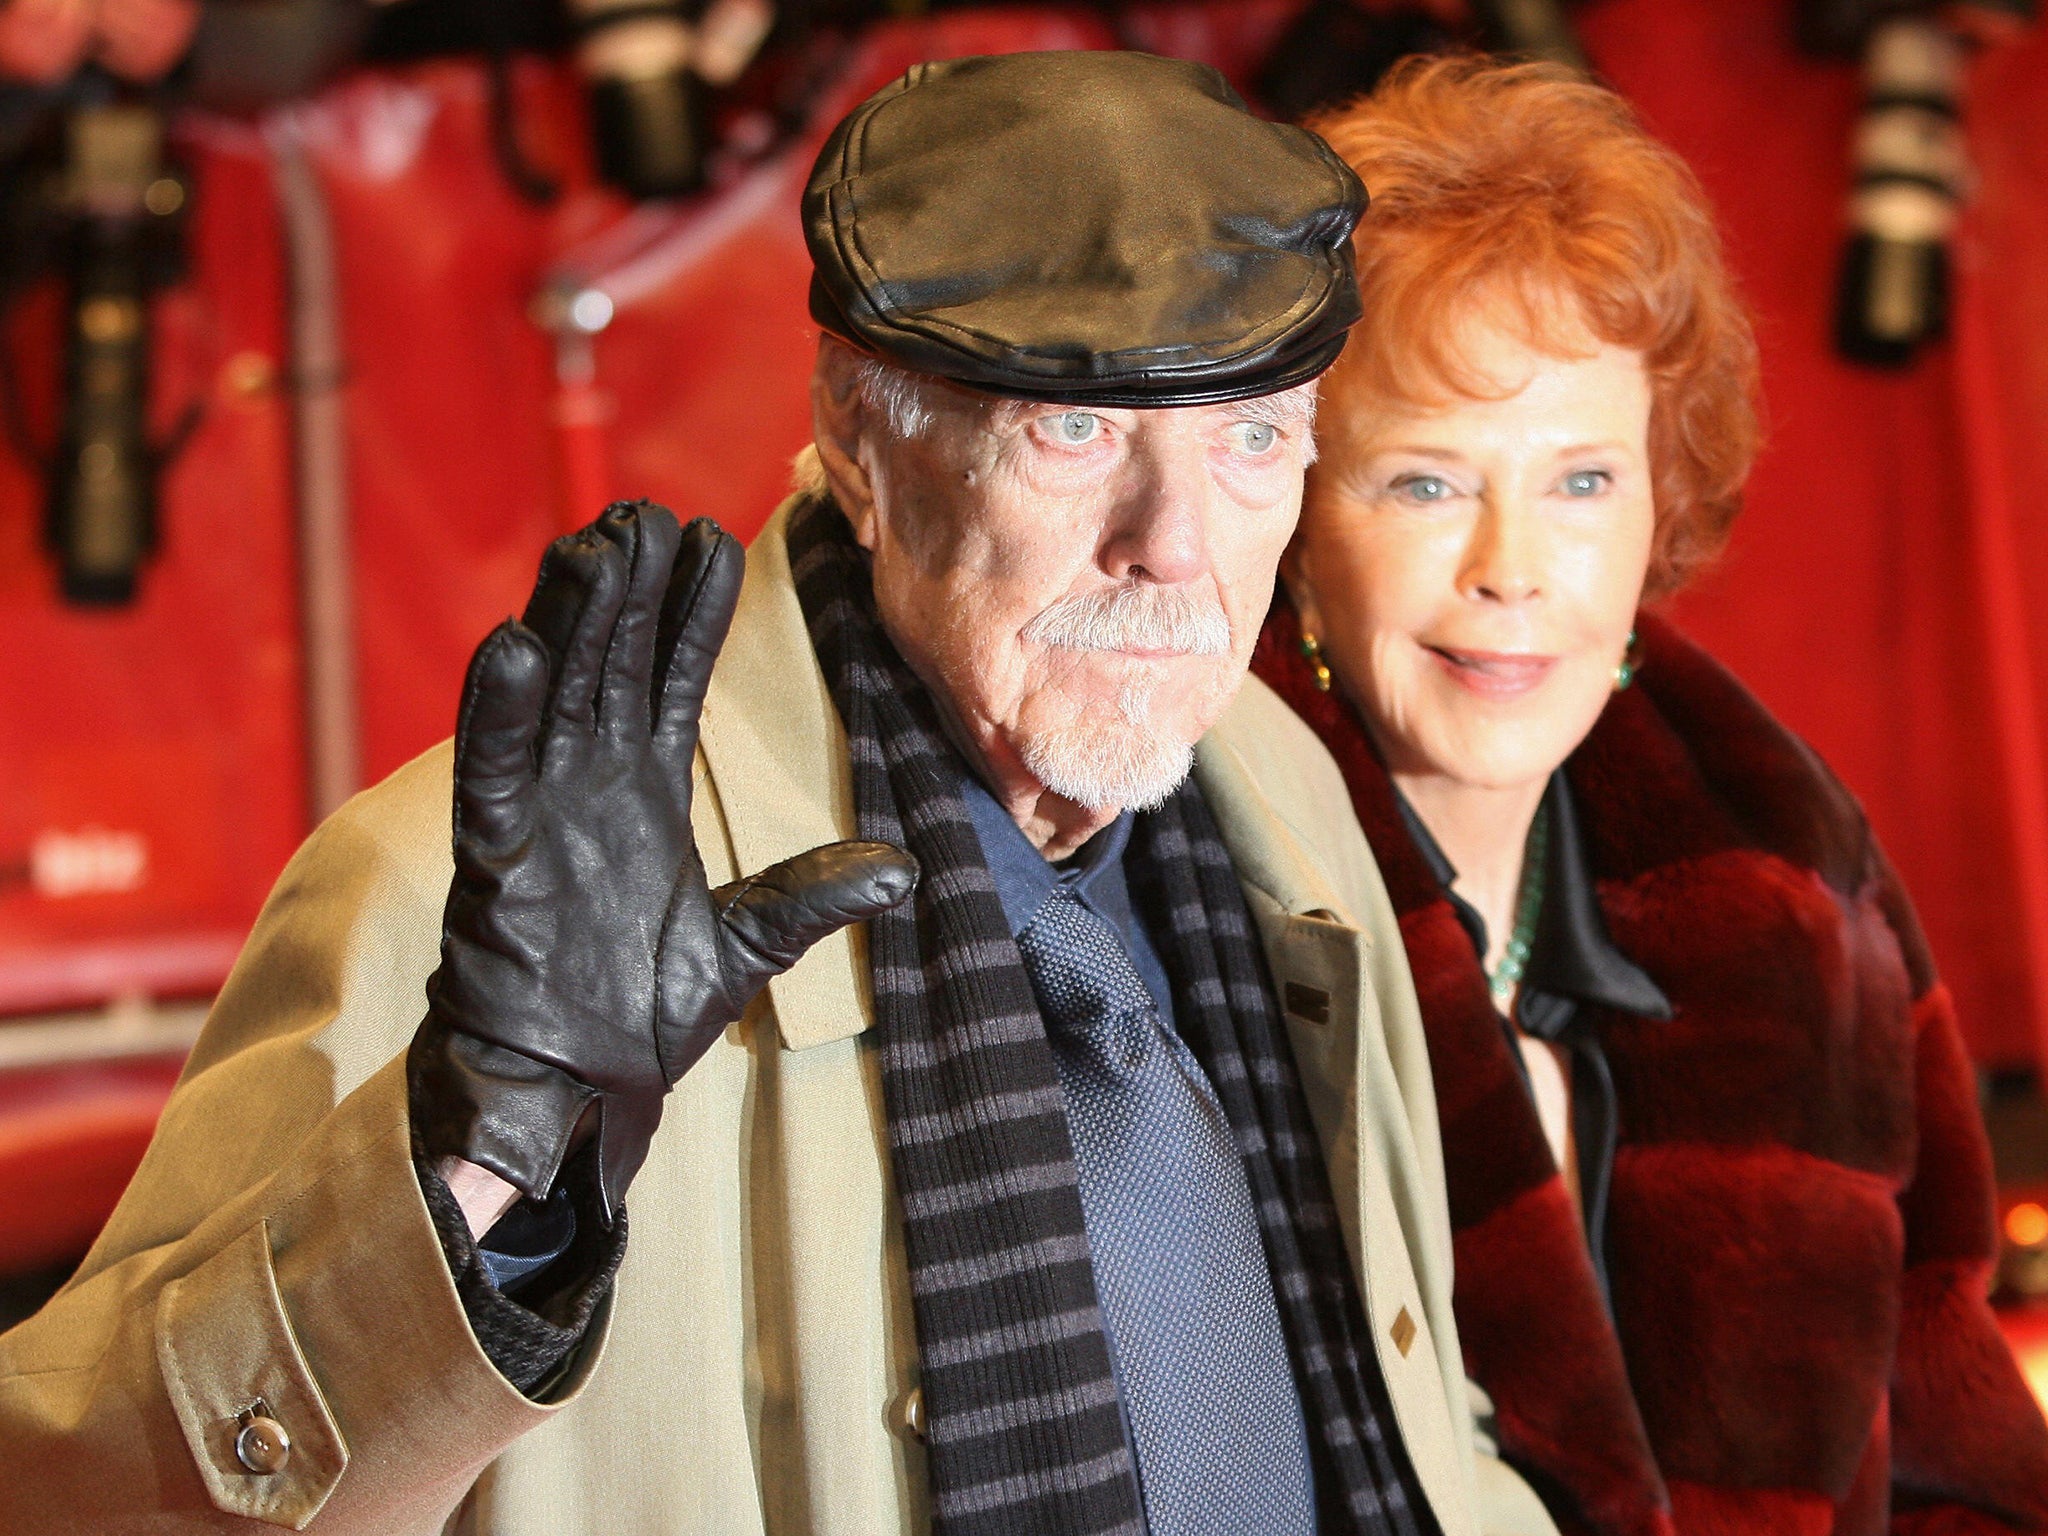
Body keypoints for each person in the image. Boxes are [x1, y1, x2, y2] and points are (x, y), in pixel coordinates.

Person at [0, 50, 1557, 1536]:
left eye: (1249, 439)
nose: (1171, 544)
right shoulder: (455, 903)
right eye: (1074, 429)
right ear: (863, 445)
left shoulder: (1275, 790)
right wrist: (475, 1177)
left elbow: (1409, 1423)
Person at [1253, 54, 2048, 1536]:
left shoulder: (1804, 898)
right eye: (1424, 481)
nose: (1512, 565)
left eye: (1582, 482)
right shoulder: (1170, 926)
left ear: (1659, 504)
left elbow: (1960, 1453)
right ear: (1292, 518)